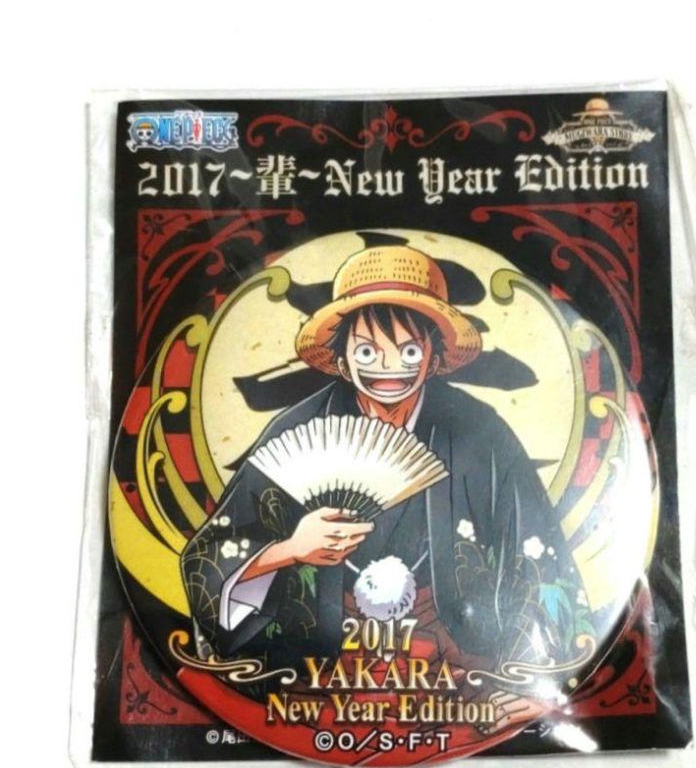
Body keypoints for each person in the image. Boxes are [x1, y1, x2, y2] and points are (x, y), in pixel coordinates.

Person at [179, 244, 593, 711]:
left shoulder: (481, 433)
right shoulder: (296, 431)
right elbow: (208, 556)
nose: (388, 367)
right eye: (366, 350)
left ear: (434, 356)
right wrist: (288, 550)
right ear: (341, 358)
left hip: (456, 665)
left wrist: (530, 685)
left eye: (409, 350)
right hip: (316, 669)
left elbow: (538, 554)